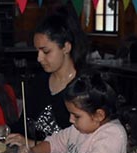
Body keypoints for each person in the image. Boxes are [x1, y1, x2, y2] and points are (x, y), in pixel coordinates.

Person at [14, 72, 127, 153]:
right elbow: (55, 144)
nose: (70, 120)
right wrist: (33, 152)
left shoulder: (113, 135)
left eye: (76, 116)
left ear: (99, 115)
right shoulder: (78, 128)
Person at [5, 9, 88, 142]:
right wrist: (5, 130)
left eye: (46, 51)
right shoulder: (39, 83)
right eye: (37, 51)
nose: (39, 58)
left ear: (66, 47)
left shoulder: (85, 88)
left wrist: (33, 144)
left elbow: (81, 145)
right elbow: (23, 126)